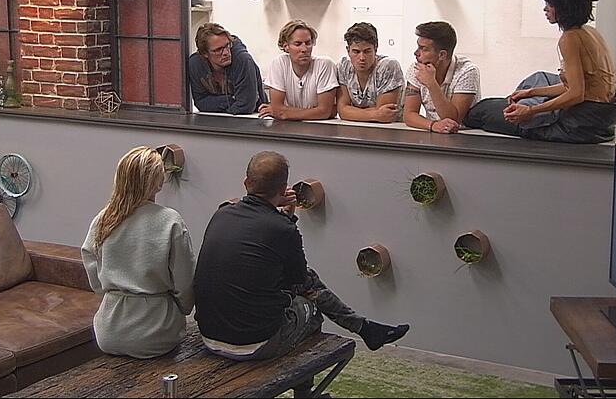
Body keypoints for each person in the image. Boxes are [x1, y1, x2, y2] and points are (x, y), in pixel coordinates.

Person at [193, 151, 409, 361]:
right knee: (312, 308)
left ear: (246, 183)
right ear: (283, 189)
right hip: (255, 344)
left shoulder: (221, 214)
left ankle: (366, 329)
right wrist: (288, 218)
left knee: (298, 282)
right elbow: (298, 281)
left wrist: (284, 218)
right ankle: (359, 333)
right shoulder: (282, 229)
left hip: (209, 335)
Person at [464, 0, 616, 143]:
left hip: (580, 124)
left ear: (564, 8)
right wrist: (531, 92)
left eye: (550, 5)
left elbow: (576, 94)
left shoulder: (570, 39)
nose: (545, 9)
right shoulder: (590, 32)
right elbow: (580, 87)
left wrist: (531, 111)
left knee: (482, 112)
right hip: (600, 121)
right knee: (530, 85)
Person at [81, 146, 196, 359]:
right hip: (157, 333)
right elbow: (184, 279)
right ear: (157, 183)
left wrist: (109, 295)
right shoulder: (170, 221)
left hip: (109, 332)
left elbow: (91, 265)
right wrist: (184, 308)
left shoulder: (103, 219)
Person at [403, 21, 481, 134]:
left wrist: (431, 84)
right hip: (434, 131)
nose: (416, 53)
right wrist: (433, 125)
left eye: (423, 48)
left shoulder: (467, 71)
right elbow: (409, 115)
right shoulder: (417, 68)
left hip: (465, 134)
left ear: (442, 55)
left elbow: (453, 120)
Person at [259, 20, 339, 120]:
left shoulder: (325, 65)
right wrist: (315, 112)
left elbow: (324, 112)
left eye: (308, 43)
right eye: (298, 44)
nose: (304, 49)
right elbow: (278, 110)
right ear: (286, 46)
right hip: (288, 126)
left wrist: (285, 113)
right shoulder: (279, 63)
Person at [189, 22, 266, 114]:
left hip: (255, 116)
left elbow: (246, 106)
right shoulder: (195, 64)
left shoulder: (243, 59)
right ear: (205, 53)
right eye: (218, 50)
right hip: (216, 118)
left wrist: (218, 104)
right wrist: (232, 100)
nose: (226, 52)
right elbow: (201, 102)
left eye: (227, 45)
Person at [336, 22, 405, 123]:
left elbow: (386, 115)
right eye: (356, 52)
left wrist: (352, 112)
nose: (362, 58)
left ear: (375, 49)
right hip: (356, 127)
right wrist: (375, 114)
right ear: (348, 50)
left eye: (367, 51)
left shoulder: (388, 66)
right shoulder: (344, 66)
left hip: (392, 128)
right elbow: (342, 111)